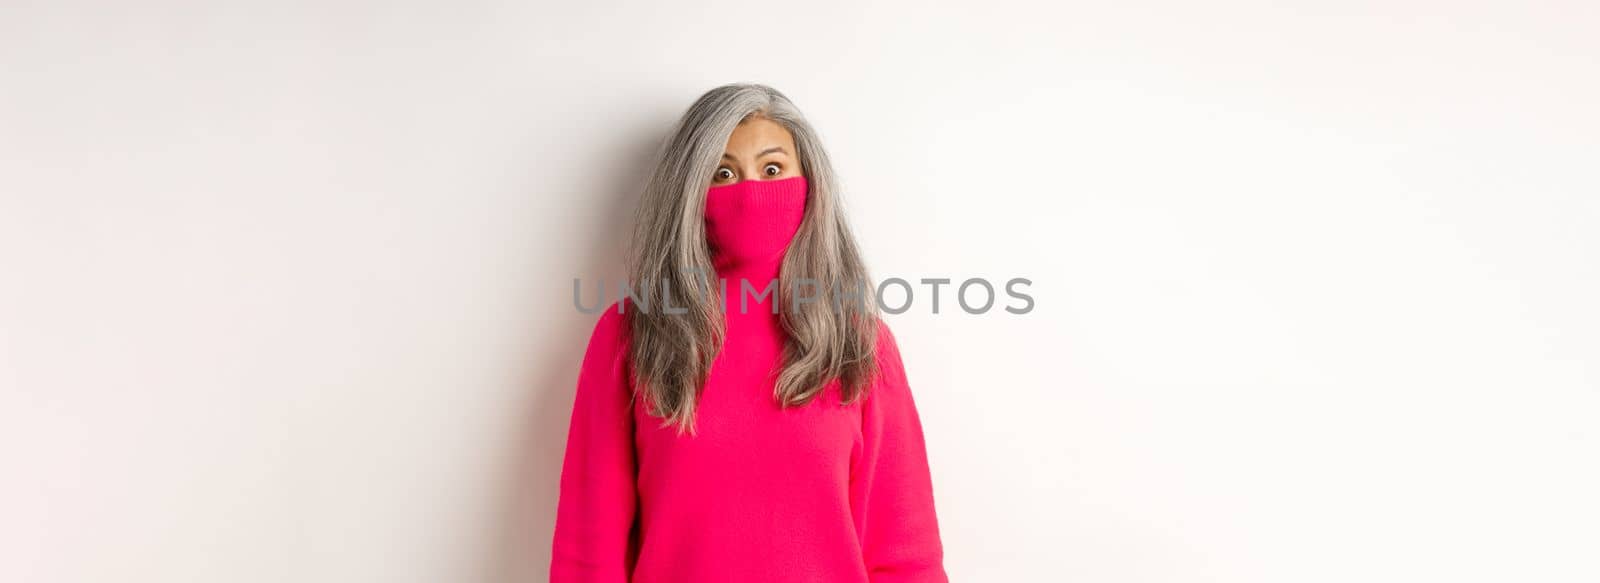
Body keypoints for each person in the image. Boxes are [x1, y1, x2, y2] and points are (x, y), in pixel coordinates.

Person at [550, 82, 948, 583]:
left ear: (811, 184)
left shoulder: (859, 343)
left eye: (773, 168)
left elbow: (905, 554)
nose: (751, 190)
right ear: (690, 192)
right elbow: (588, 553)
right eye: (723, 172)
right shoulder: (630, 336)